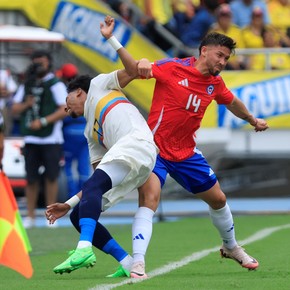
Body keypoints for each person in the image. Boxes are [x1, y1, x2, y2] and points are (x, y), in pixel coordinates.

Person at [103, 18, 269, 278]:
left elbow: (232, 101)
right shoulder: (172, 68)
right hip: (154, 150)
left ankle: (230, 246)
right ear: (204, 51)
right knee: (150, 200)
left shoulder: (215, 83)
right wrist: (139, 60)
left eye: (226, 58)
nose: (223, 62)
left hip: (186, 152)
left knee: (219, 199)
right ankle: (138, 263)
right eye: (220, 56)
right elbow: (137, 68)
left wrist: (252, 120)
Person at [45, 16, 158, 276]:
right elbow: (96, 181)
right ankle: (127, 263)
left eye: (68, 99)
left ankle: (83, 248)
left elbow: (132, 71)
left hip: (138, 143)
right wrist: (69, 203)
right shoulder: (90, 133)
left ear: (79, 92)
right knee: (79, 214)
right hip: (134, 162)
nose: (66, 107)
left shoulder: (98, 85)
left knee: (91, 193)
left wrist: (110, 38)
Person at [11, 50, 67, 228]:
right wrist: (26, 105)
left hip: (51, 138)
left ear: (49, 63)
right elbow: (14, 109)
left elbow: (63, 109)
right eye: (36, 63)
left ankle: (51, 216)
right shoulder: (27, 84)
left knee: (51, 177)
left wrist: (43, 121)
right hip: (31, 138)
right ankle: (30, 216)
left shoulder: (56, 84)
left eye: (41, 63)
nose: (38, 67)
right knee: (31, 178)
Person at [56, 63, 91, 198]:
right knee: (83, 167)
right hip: (84, 133)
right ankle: (85, 197)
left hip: (69, 134)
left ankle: (71, 196)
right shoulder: (84, 91)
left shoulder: (65, 92)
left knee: (68, 166)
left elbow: (63, 114)